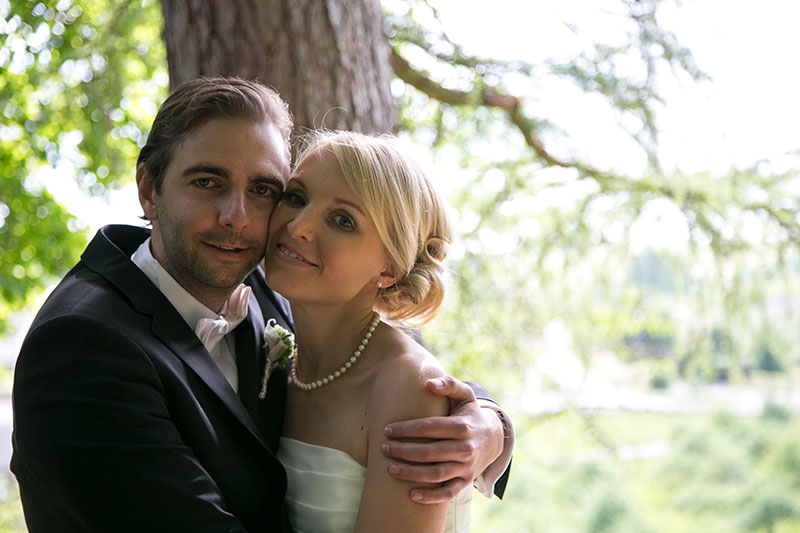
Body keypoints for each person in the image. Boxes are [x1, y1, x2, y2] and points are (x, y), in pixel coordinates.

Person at [11, 77, 512, 532]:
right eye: (207, 182)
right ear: (148, 190)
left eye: (264, 190)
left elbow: (380, 378)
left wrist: (489, 425)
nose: (238, 217)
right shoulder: (83, 346)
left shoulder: (272, 285)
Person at [264, 130, 482, 531]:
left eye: (342, 220)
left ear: (390, 268)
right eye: (296, 197)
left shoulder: (409, 386)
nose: (298, 226)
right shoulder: (277, 360)